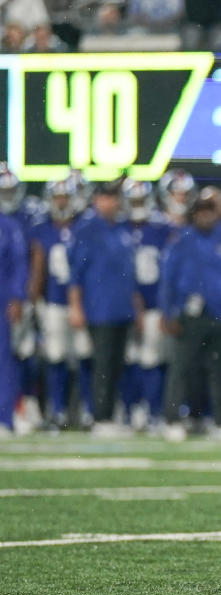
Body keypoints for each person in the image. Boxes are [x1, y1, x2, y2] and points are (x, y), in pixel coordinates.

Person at [160, 187, 221, 441]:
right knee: (182, 369)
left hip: (220, 313)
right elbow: (168, 279)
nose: (205, 216)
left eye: (209, 211)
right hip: (190, 314)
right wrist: (168, 313)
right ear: (194, 213)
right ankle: (172, 419)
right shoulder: (182, 239)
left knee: (220, 371)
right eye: (201, 211)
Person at [68, 178, 137, 437]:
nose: (112, 202)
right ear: (96, 199)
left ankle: (110, 414)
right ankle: (100, 417)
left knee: (117, 365)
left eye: (115, 197)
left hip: (122, 308)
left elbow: (130, 275)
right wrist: (76, 307)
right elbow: (76, 274)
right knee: (103, 365)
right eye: (107, 197)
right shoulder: (86, 229)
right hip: (99, 308)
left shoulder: (121, 228)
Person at [31, 177, 94, 431]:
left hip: (83, 303)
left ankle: (87, 411)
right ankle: (56, 411)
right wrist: (35, 302)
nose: (61, 202)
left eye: (65, 197)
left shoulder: (84, 227)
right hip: (54, 302)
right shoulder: (42, 229)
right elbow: (37, 269)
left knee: (85, 356)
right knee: (56, 358)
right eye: (57, 197)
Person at [121, 178, 173, 433]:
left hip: (153, 304)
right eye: (134, 201)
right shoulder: (118, 228)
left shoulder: (161, 228)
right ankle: (132, 409)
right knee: (130, 359)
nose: (138, 206)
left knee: (151, 359)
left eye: (141, 201)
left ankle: (152, 410)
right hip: (122, 306)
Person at [0, 188, 27, 436]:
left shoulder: (8, 226)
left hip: (2, 300)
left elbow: (18, 264)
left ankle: (4, 417)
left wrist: (16, 297)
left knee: (4, 360)